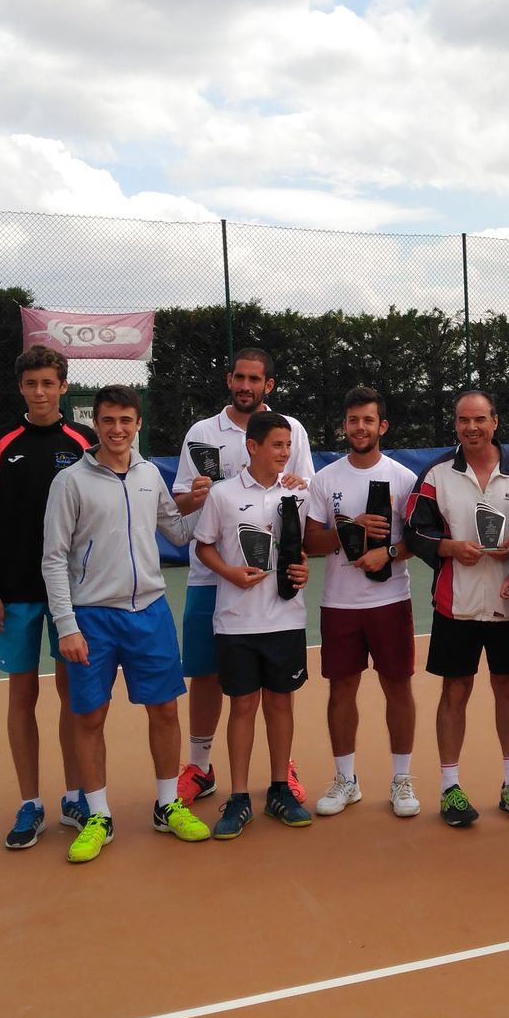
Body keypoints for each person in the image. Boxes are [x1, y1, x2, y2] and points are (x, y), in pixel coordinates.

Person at [41, 386, 209, 863]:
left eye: (126, 420)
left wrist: (203, 501)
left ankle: (166, 804)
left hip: (149, 612)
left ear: (138, 424)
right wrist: (66, 624)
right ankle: (97, 814)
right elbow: (53, 559)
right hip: (91, 618)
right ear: (95, 422)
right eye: (109, 420)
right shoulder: (70, 482)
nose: (118, 429)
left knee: (164, 712)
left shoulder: (150, 473)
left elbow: (176, 531)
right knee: (89, 716)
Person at [171, 348, 314, 807]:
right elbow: (179, 506)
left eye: (255, 379)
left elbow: (304, 494)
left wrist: (296, 488)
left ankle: (281, 768)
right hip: (208, 577)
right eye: (239, 377)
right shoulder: (201, 433)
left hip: (271, 586)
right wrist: (198, 496)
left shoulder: (290, 431)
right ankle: (200, 765)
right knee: (207, 673)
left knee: (276, 688)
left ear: (268, 384)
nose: (246, 386)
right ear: (229, 379)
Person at [0, 344, 97, 849]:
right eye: (31, 383)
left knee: (73, 695)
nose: (40, 391)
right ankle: (30, 804)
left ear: (63, 387)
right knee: (22, 695)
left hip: (73, 593)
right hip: (17, 594)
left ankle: (74, 795)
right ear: (21, 387)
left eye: (49, 383)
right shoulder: (0, 444)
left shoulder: (84, 442)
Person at [404, 390, 509, 827]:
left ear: (495, 422)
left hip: (507, 605)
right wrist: (447, 546)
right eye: (464, 420)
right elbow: (413, 531)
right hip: (455, 606)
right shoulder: (437, 473)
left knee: (508, 688)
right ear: (456, 424)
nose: (472, 428)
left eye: (480, 419)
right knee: (454, 692)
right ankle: (449, 787)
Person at [303, 386, 422, 819]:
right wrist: (348, 529)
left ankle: (401, 779)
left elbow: (417, 540)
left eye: (368, 420)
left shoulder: (404, 479)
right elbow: (311, 542)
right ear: (345, 425)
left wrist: (386, 552)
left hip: (390, 598)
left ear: (382, 426)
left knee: (398, 687)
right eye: (353, 420)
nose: (359, 427)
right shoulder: (325, 479)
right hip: (339, 601)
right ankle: (345, 779)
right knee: (342, 689)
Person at [193, 412, 314, 838]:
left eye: (287, 446)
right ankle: (239, 796)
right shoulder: (223, 495)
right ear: (253, 447)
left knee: (281, 703)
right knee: (243, 706)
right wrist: (229, 573)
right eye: (277, 445)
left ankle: (280, 788)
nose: (285, 453)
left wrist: (302, 570)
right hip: (236, 622)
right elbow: (204, 546)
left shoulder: (299, 493)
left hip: (285, 618)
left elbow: (302, 549)